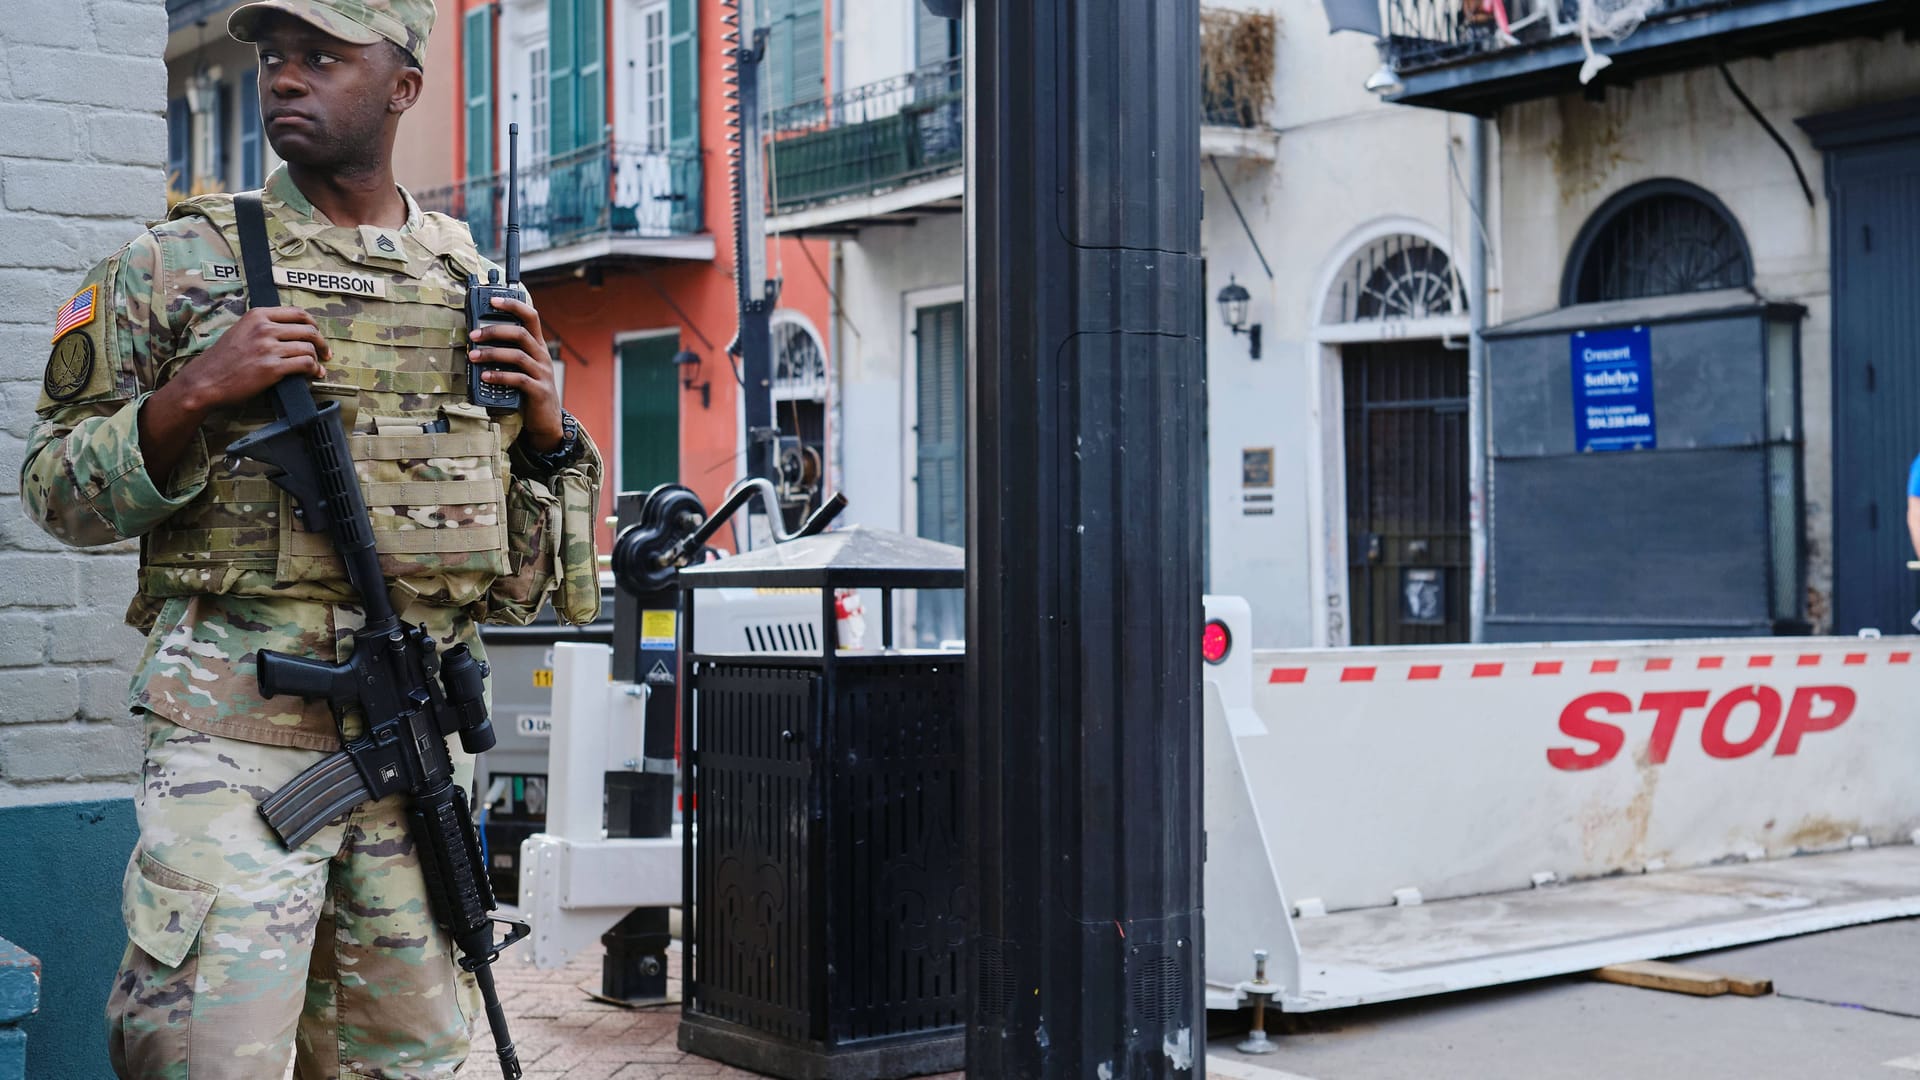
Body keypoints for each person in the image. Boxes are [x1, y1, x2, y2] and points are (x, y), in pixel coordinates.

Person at [19, 1, 603, 1075]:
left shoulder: (474, 286)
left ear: (404, 86)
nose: (286, 78)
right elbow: (55, 492)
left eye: (323, 57)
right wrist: (189, 395)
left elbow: (519, 592)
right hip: (235, 758)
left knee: (408, 1062)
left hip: (413, 758)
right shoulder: (176, 264)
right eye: (275, 59)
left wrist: (549, 434)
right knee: (206, 1060)